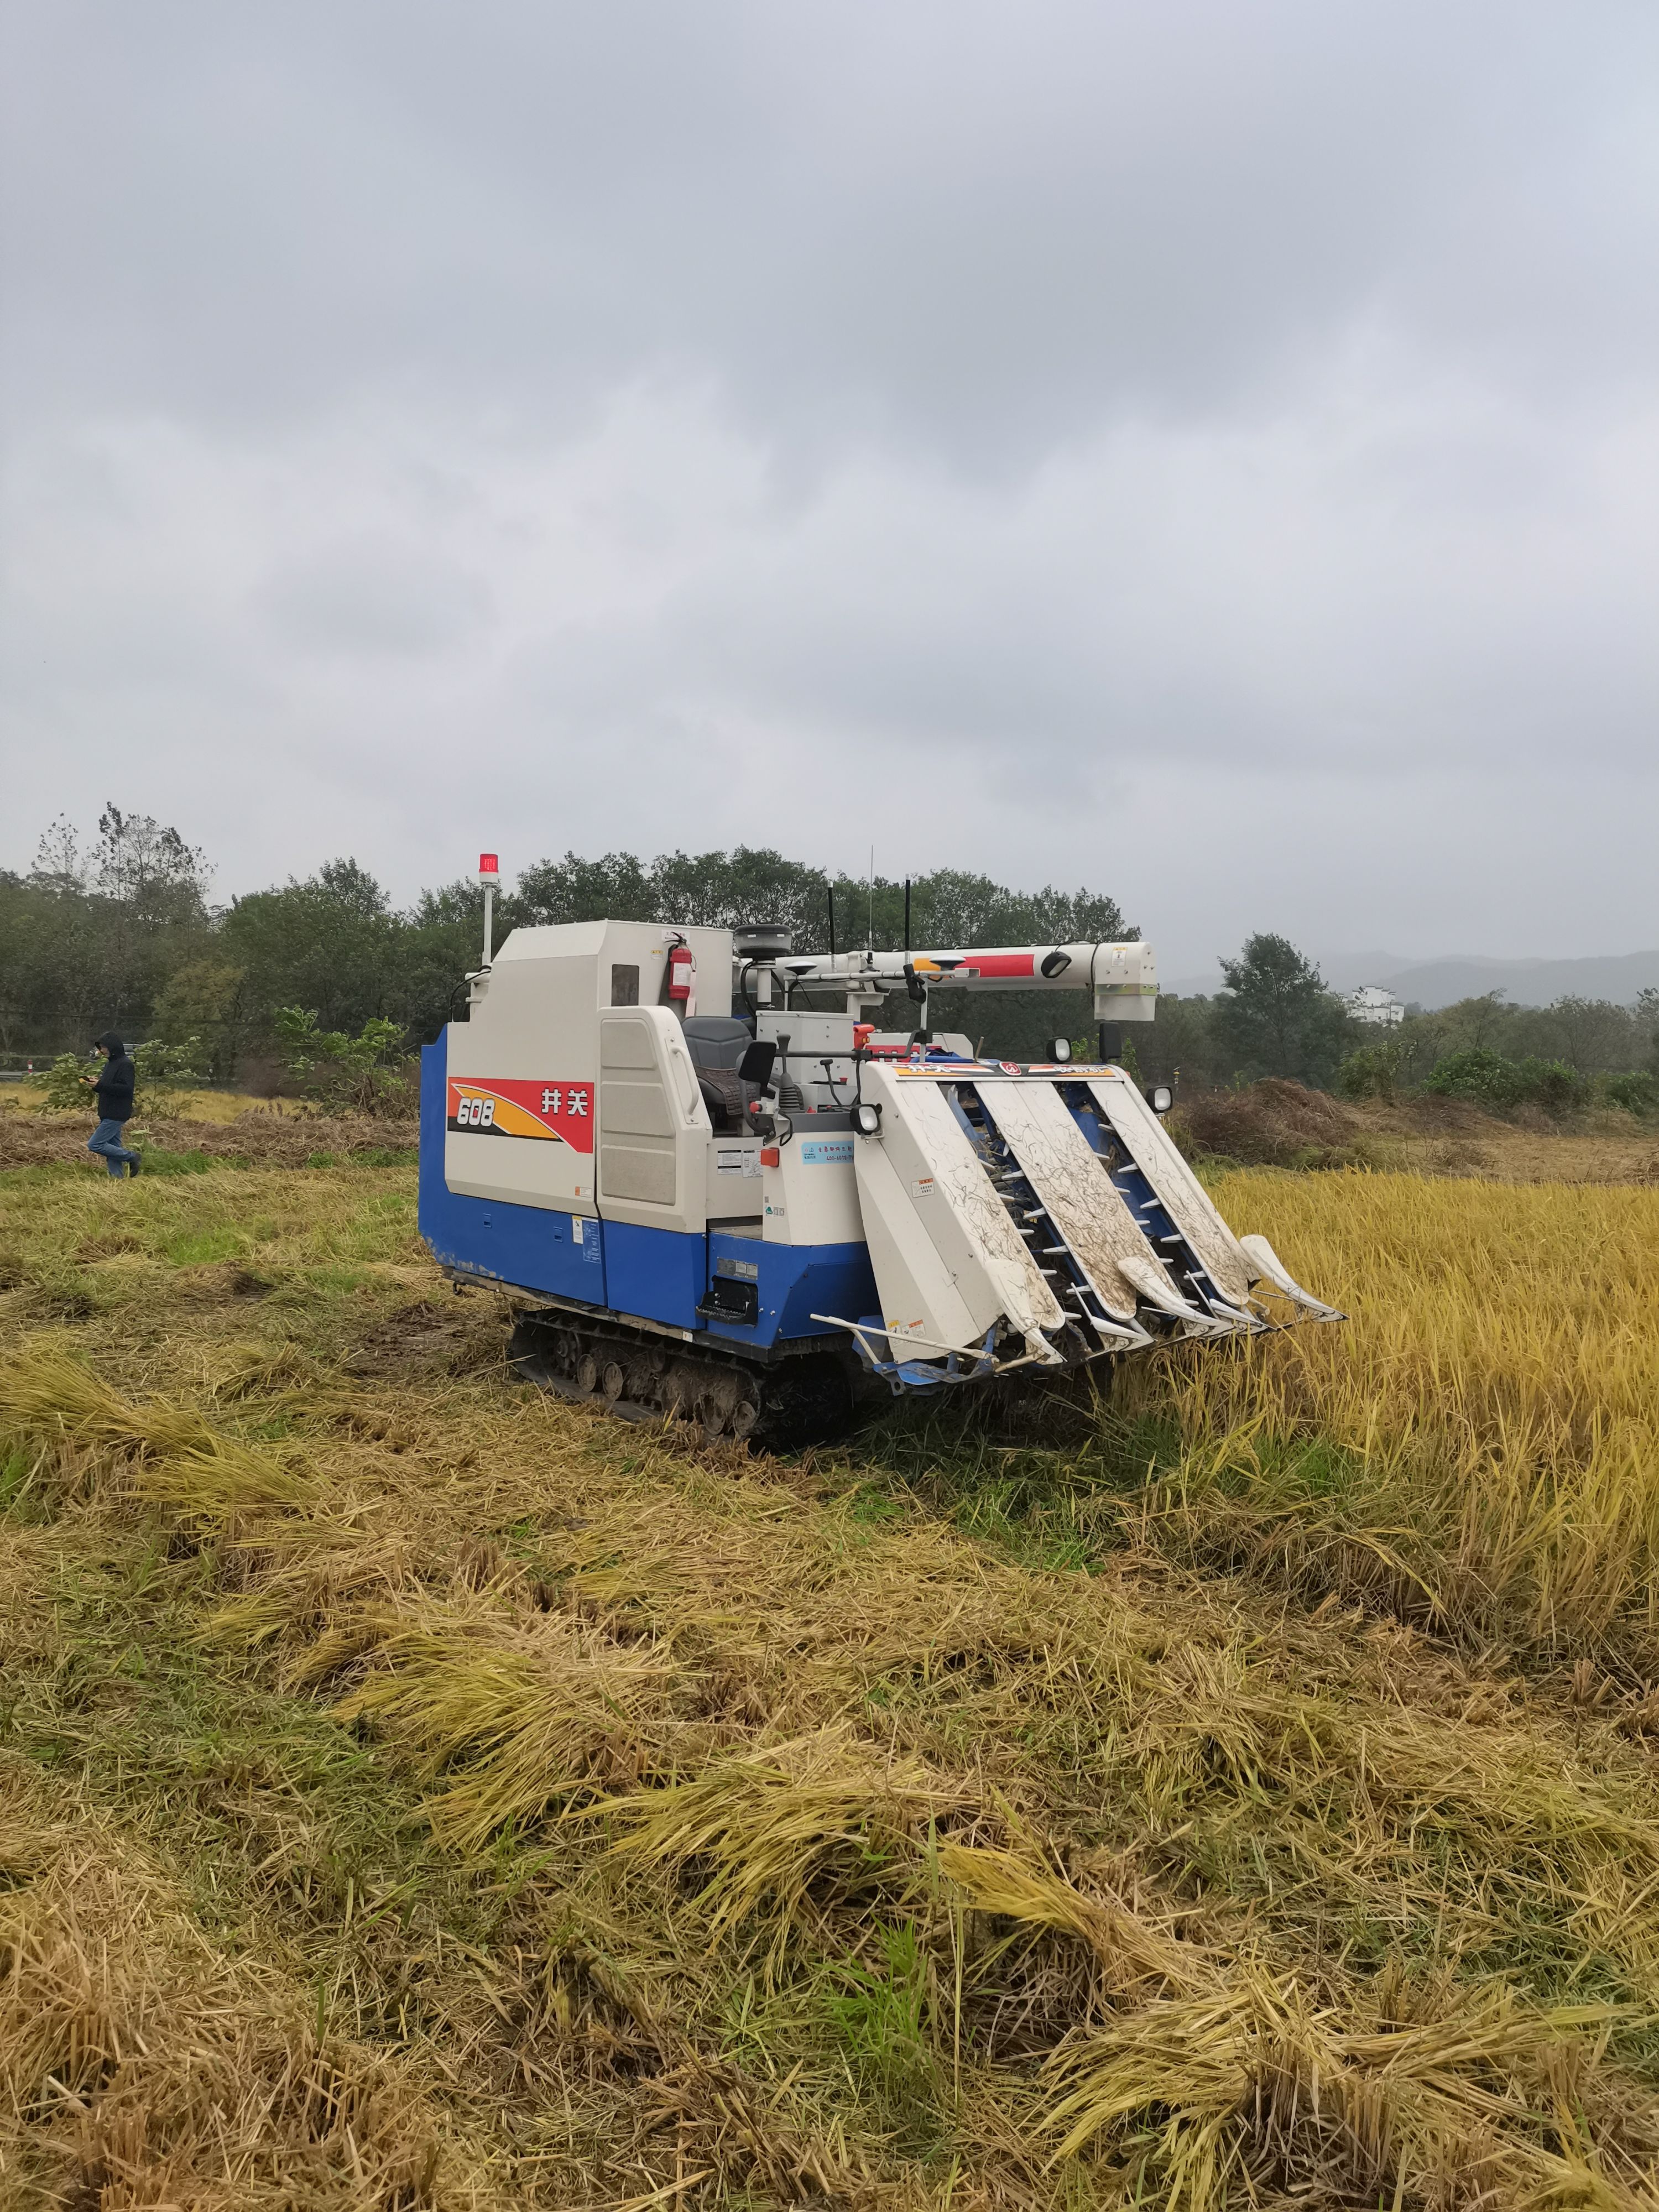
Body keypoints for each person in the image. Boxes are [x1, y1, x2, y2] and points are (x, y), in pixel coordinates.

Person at [85, 1031, 142, 1178]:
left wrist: (101, 1084)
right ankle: (117, 1179)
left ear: (112, 1046)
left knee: (95, 1144)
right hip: (107, 1111)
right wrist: (96, 1085)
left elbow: (126, 1089)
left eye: (103, 1047)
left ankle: (132, 1157)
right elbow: (109, 1087)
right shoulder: (111, 1064)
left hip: (116, 1113)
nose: (101, 1050)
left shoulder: (125, 1064)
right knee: (113, 1148)